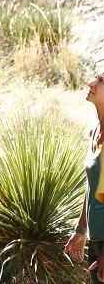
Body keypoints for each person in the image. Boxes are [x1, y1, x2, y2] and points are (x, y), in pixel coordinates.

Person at [65, 72, 104, 283]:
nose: (91, 83)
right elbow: (93, 187)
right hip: (97, 239)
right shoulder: (94, 131)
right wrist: (80, 230)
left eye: (101, 82)